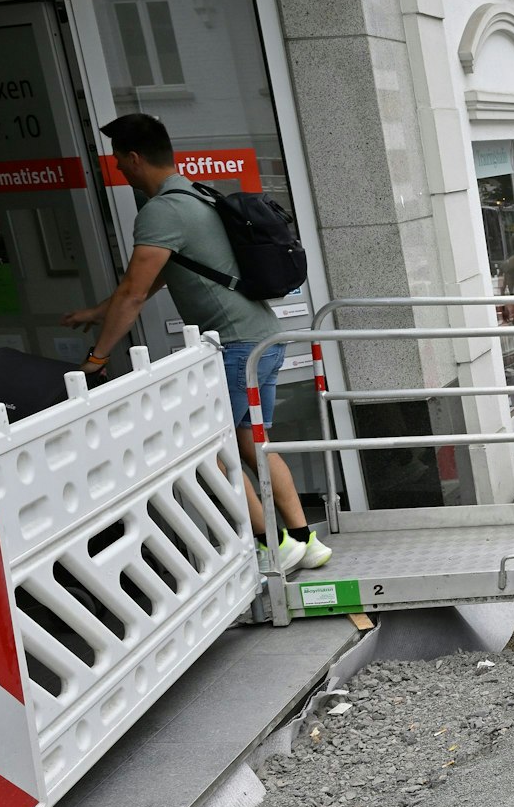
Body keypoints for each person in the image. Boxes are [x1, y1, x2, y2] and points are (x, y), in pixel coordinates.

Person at [63, 114, 328, 573]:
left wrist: (97, 357)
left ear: (133, 158)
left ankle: (274, 543)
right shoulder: (198, 194)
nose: (119, 172)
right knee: (252, 442)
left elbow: (136, 291)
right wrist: (97, 312)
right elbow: (162, 276)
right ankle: (306, 538)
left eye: (119, 163)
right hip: (264, 338)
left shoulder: (161, 211)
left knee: (216, 451)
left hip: (235, 346)